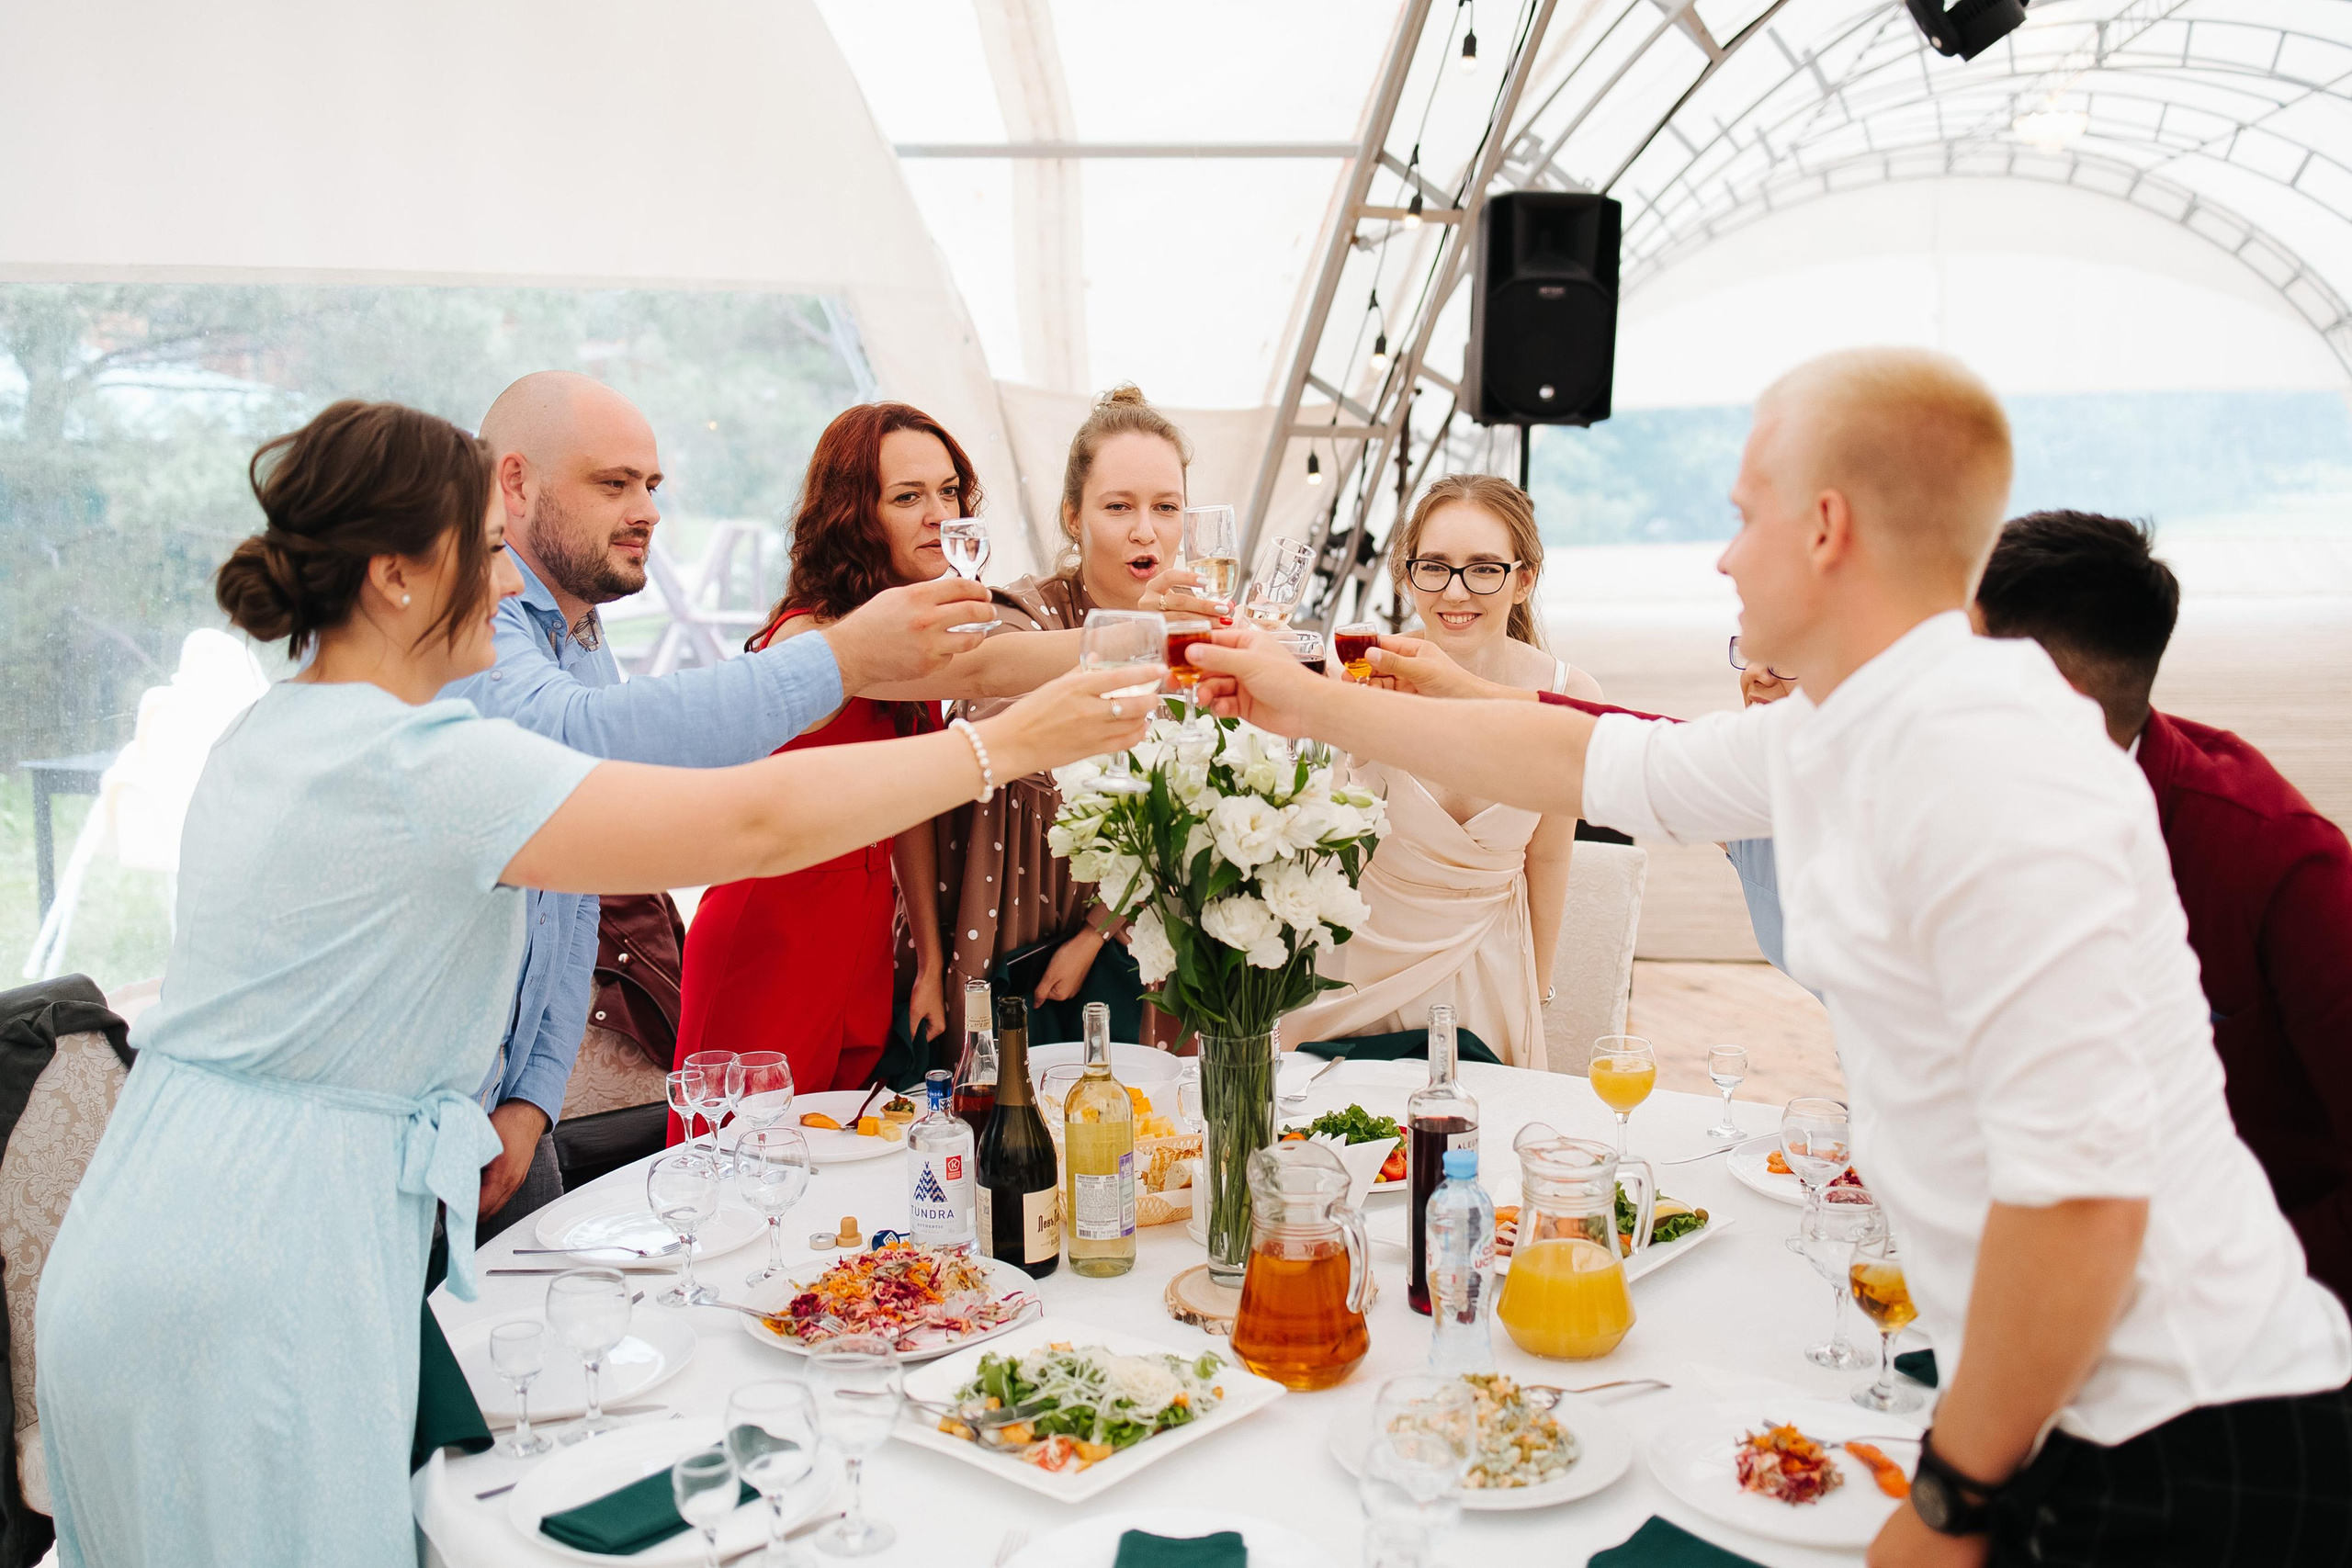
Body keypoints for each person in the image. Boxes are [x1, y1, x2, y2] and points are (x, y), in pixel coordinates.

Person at [1193, 348, 2352, 1567]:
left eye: (1742, 515)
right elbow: (1589, 762)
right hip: (2077, 1415)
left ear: (1826, 526)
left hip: (2187, 1440)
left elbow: (2085, 1199)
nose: (1724, 554)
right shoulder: (1841, 727)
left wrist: (1954, 1494)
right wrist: (1304, 698)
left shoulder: (2003, 765)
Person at [32, 400, 1147, 1568]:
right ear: (397, 578)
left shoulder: (281, 729)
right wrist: (1007, 744)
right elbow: (752, 823)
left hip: (157, 1227)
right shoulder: (415, 762)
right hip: (254, 1267)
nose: (511, 585)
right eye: (486, 548)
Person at [441, 372, 995, 1233]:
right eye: (614, 482)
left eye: (652, 485)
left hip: (513, 1126)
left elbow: (571, 900)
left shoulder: (580, 640)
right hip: (765, 945)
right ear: (514, 484)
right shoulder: (479, 639)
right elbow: (583, 743)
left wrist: (532, 1100)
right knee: (748, 1201)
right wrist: (846, 659)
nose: (649, 510)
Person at [1974, 509, 2352, 1305]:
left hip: (2247, 1313)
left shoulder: (2279, 859)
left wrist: (2216, 1292)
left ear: (2057, 700)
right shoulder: (1973, 809)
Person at [671, 401, 1082, 1110]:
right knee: (745, 1164)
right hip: (775, 938)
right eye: (907, 496)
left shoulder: (909, 629)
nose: (938, 513)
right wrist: (1152, 640)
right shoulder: (816, 637)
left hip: (862, 938)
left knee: (842, 1174)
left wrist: (925, 956)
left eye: (949, 491)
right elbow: (987, 670)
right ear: (854, 514)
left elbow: (909, 810)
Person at [1285, 475, 1597, 1068]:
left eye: (1483, 568)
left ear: (1523, 578)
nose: (1456, 592)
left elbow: (1550, 858)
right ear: (1407, 576)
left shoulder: (1569, 695)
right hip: (1355, 973)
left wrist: (1536, 988)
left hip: (1489, 969)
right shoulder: (1361, 671)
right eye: (1435, 566)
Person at [927, 384, 1206, 1043]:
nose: (1146, 529)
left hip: (1146, 939)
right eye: (1119, 506)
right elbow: (991, 694)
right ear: (1074, 518)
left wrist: (1096, 932)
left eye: (1166, 507)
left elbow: (1195, 809)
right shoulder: (1021, 613)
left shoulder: (1196, 633)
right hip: (1014, 919)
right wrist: (1141, 630)